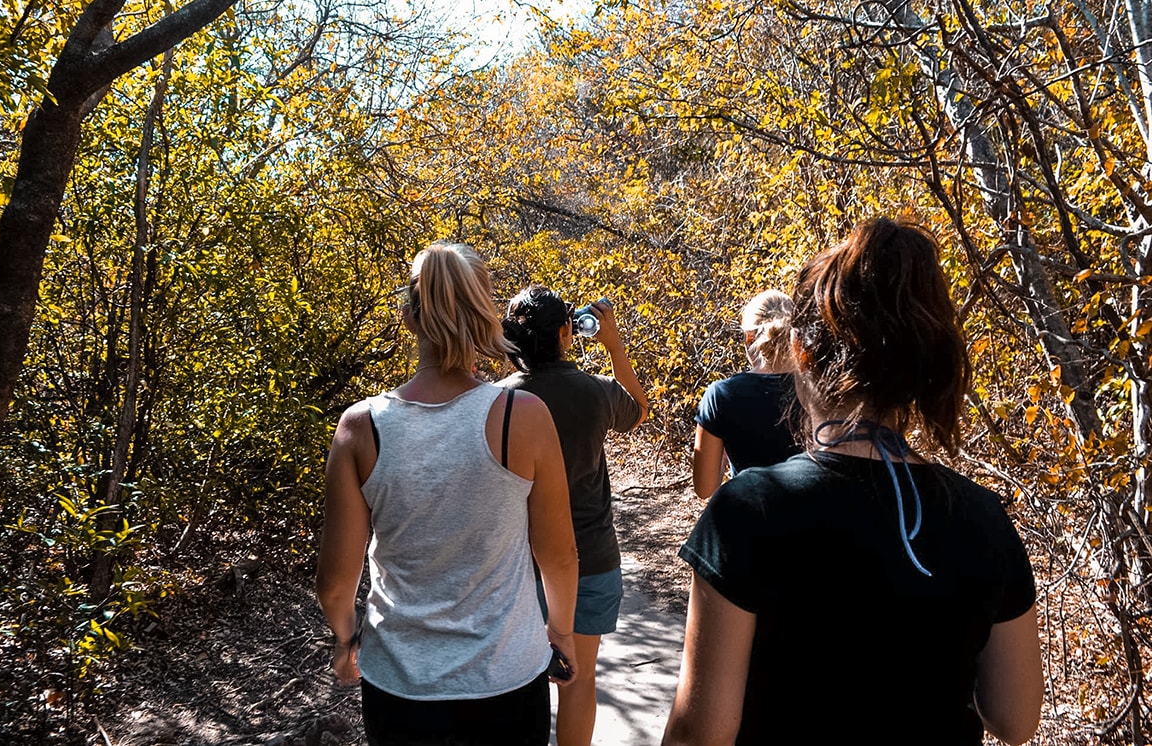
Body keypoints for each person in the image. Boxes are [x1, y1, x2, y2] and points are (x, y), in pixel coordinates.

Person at [662, 217, 1043, 746]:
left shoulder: (748, 510)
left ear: (801, 352)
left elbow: (700, 734)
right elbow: (1016, 720)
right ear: (922, 366)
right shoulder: (981, 516)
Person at [317, 243, 580, 746]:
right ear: (486, 317)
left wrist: (347, 638)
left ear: (409, 317)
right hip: (506, 680)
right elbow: (560, 556)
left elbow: (334, 583)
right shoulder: (522, 417)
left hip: (399, 686)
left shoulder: (360, 427)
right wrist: (560, 633)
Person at [500, 287, 649, 746]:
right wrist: (615, 346)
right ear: (568, 331)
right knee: (579, 680)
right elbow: (638, 410)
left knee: (515, 686)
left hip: (516, 565)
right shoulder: (595, 393)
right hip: (591, 558)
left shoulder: (498, 402)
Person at [691, 289, 802, 499]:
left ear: (748, 337)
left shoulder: (721, 395)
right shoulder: (818, 390)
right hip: (817, 526)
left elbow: (705, 489)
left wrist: (721, 459)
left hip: (749, 523)